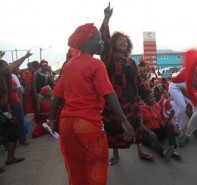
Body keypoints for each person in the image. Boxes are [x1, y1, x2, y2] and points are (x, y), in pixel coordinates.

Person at [49, 22, 134, 185]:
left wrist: (52, 120)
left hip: (67, 126)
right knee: (95, 170)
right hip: (87, 126)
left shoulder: (68, 66)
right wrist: (124, 120)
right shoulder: (96, 64)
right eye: (99, 40)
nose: (102, 43)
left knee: (75, 169)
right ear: (89, 42)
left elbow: (57, 97)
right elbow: (108, 93)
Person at [100, 3, 153, 165]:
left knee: (136, 125)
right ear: (114, 43)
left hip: (132, 102)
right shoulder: (108, 58)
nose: (123, 42)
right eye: (119, 40)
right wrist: (106, 19)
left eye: (125, 41)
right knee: (114, 128)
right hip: (115, 102)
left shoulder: (131, 61)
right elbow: (105, 39)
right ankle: (115, 154)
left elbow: (137, 80)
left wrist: (147, 93)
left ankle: (140, 151)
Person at [0, 52, 31, 167]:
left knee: (12, 132)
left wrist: (25, 57)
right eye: (5, 67)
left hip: (6, 111)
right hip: (2, 111)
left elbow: (15, 64)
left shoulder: (5, 75)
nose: (8, 68)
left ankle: (10, 157)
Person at [140, 89, 180, 160]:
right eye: (151, 97)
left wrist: (168, 127)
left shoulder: (157, 106)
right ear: (145, 99)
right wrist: (150, 132)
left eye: (154, 97)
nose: (154, 99)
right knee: (152, 139)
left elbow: (162, 119)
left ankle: (172, 149)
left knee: (170, 126)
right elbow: (140, 125)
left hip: (158, 130)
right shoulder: (141, 109)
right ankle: (164, 153)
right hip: (147, 132)